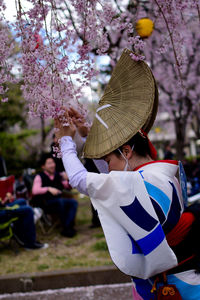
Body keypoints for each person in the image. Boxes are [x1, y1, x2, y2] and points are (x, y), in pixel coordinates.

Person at [54, 49, 200, 299]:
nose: (106, 167)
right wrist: (90, 135)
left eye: (108, 159)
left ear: (127, 150)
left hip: (173, 285)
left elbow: (85, 181)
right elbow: (117, 184)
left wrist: (66, 142)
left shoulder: (143, 181)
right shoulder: (162, 175)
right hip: (179, 278)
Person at [31, 153, 78, 237]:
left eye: (53, 162)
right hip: (45, 203)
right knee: (60, 202)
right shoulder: (39, 176)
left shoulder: (58, 175)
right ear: (43, 166)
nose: (52, 165)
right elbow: (35, 190)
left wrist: (68, 179)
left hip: (59, 202)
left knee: (73, 202)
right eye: (49, 163)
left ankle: (67, 226)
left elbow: (66, 186)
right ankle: (66, 228)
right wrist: (48, 188)